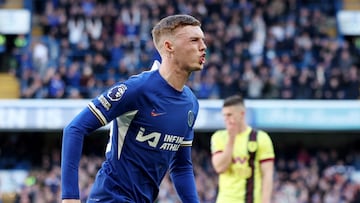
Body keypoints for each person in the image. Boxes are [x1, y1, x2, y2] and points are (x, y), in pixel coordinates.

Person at [61, 14, 207, 203]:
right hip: (110, 198)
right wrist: (70, 197)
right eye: (194, 40)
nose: (203, 46)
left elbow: (181, 167)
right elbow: (75, 128)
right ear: (169, 46)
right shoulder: (137, 89)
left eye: (202, 40)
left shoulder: (191, 104)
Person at [211, 95, 275, 203]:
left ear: (242, 114)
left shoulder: (261, 138)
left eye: (229, 115)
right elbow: (220, 168)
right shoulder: (219, 137)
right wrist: (231, 138)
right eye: (224, 115)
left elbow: (267, 176)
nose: (226, 119)